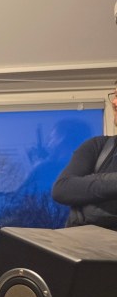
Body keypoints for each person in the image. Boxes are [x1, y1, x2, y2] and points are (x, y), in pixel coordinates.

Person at [51, 87, 117, 230]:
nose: (114, 102)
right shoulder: (98, 146)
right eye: (115, 95)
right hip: (83, 242)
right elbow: (62, 188)